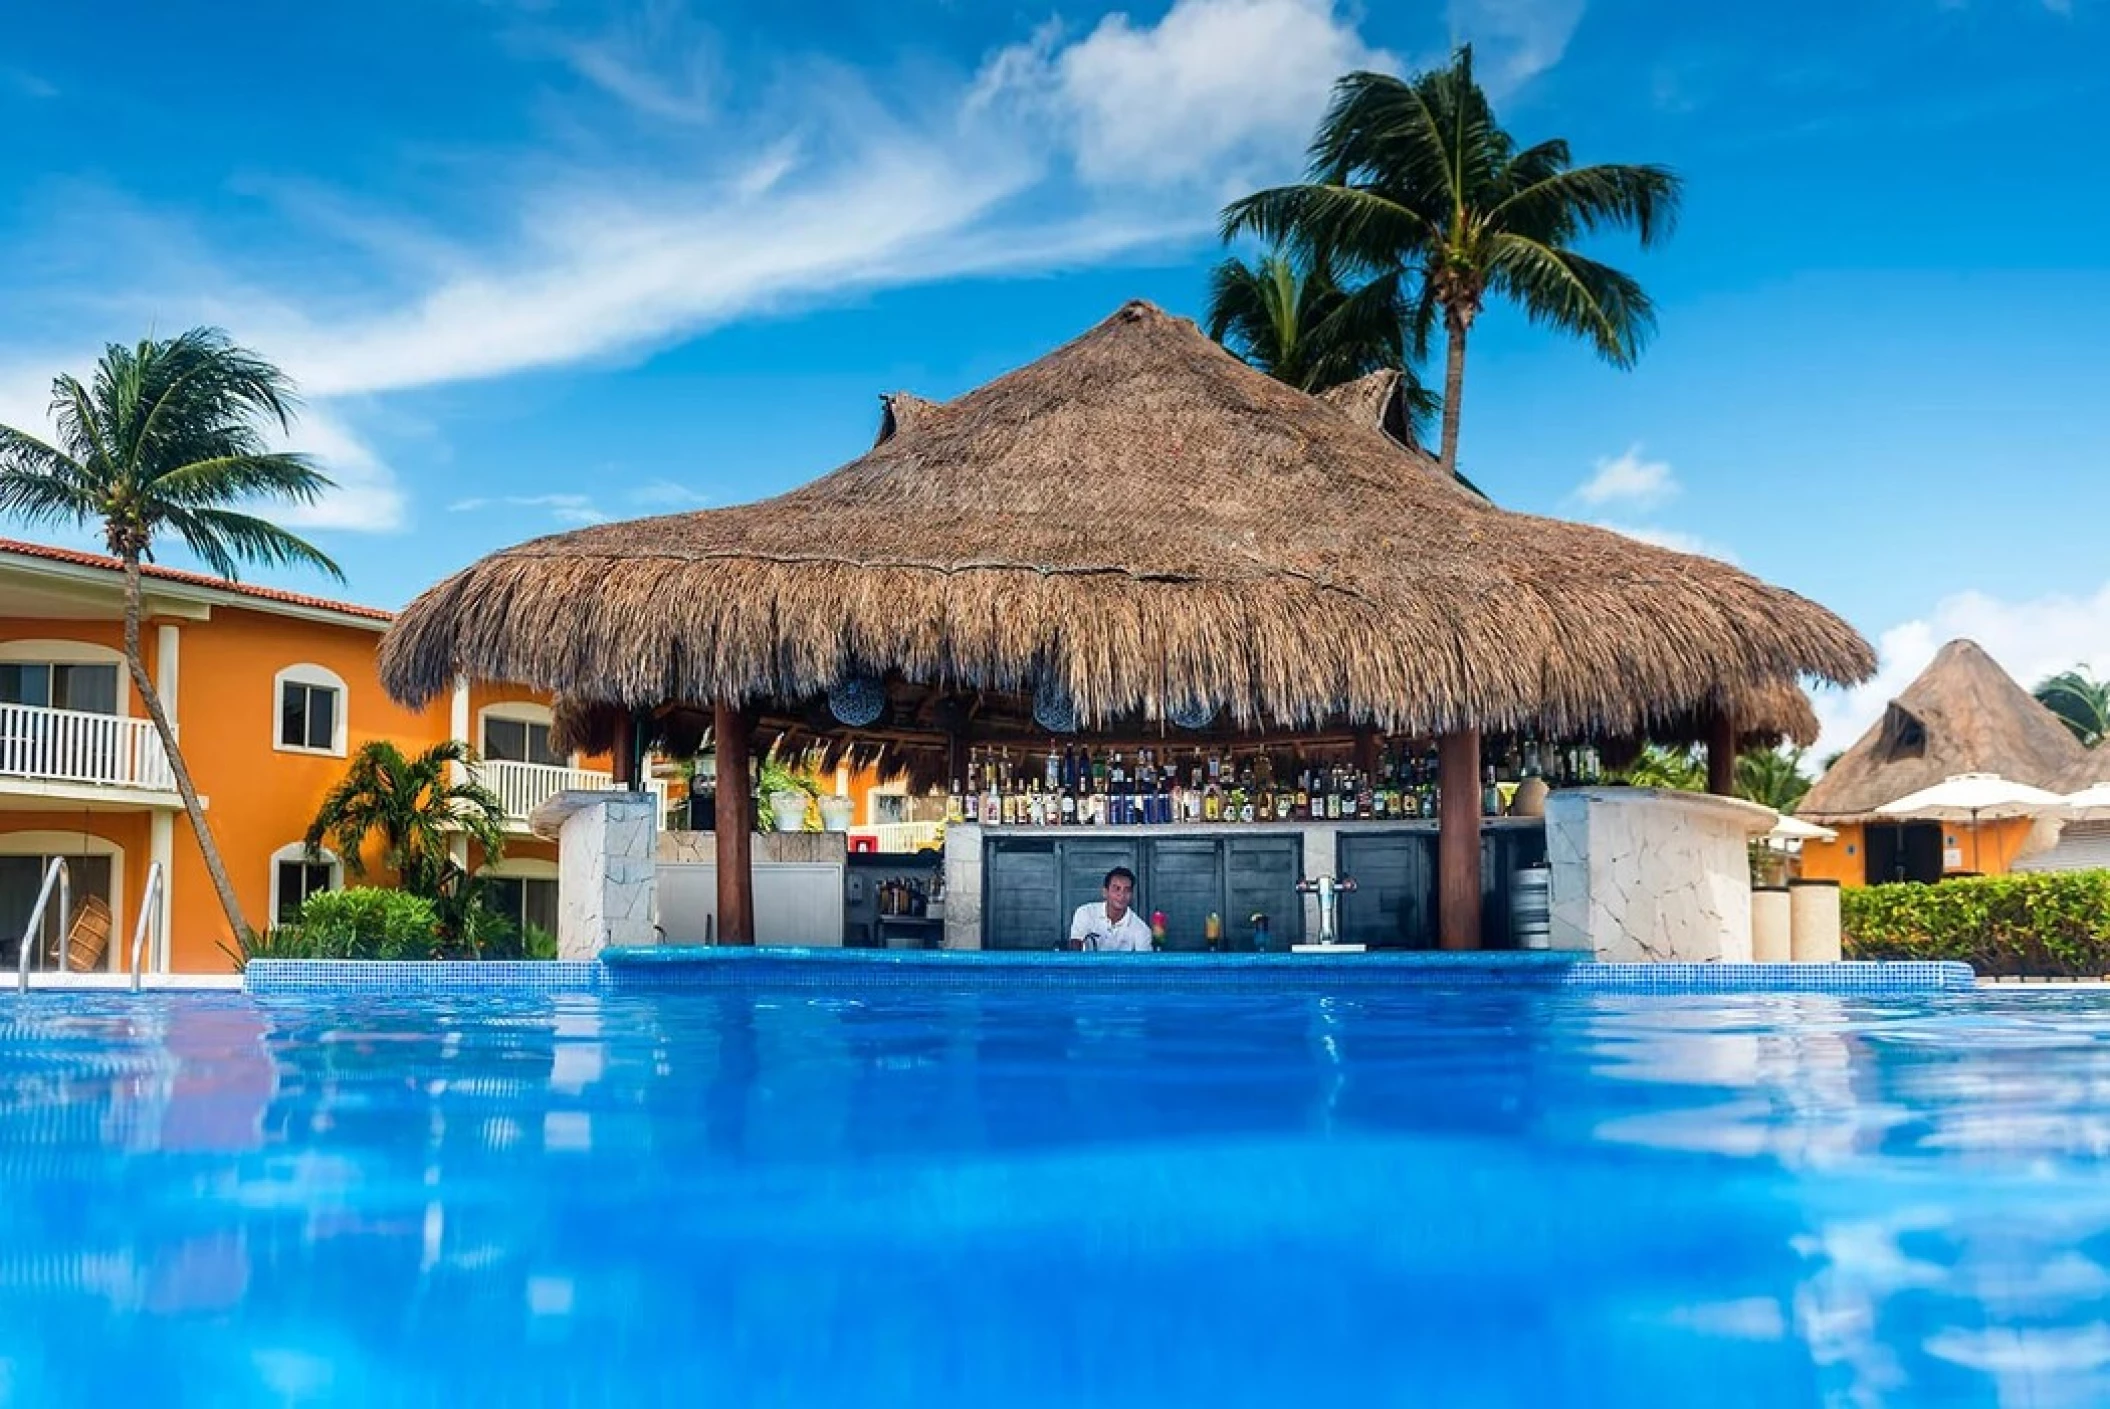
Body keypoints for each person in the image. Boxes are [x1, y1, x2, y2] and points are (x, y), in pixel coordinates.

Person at [1069, 866, 1152, 952]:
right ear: (1105, 892)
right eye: (1117, 889)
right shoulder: (1085, 913)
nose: (1122, 894)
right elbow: (1075, 947)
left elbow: (1144, 963)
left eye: (1127, 890)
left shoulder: (1141, 930)